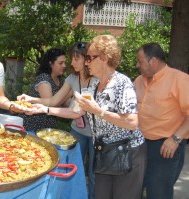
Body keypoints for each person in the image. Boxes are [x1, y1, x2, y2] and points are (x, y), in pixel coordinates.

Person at [18, 42, 99, 199]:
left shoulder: (97, 80)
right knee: (71, 169)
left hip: (96, 133)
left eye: (76, 59)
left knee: (94, 173)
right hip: (78, 131)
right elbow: (53, 101)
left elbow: (71, 110)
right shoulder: (71, 78)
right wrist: (32, 99)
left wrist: (43, 107)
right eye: (71, 59)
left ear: (87, 60)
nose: (72, 63)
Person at [75, 35, 146, 199]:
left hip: (127, 153)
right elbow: (77, 112)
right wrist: (44, 108)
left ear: (104, 58)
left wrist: (99, 111)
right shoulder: (94, 83)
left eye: (89, 58)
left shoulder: (123, 83)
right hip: (104, 153)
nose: (86, 62)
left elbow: (132, 122)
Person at [134, 42, 189, 199]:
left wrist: (175, 139)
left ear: (153, 61)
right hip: (140, 144)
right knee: (134, 190)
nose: (138, 65)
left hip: (165, 146)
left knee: (158, 193)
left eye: (140, 61)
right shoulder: (139, 80)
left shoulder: (180, 80)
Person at [20, 48, 67, 131]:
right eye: (60, 63)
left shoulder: (60, 80)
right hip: (33, 124)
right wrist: (69, 93)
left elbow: (65, 102)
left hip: (48, 125)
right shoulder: (44, 79)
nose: (64, 66)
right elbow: (51, 104)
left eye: (64, 63)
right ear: (51, 63)